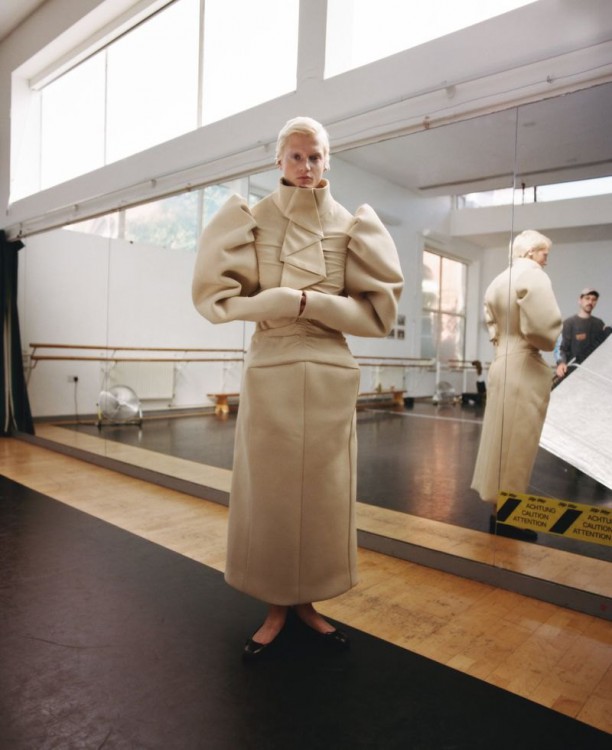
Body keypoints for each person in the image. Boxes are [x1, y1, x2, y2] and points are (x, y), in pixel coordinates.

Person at [192, 116, 404, 659]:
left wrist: (309, 303)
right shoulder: (251, 220)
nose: (306, 167)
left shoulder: (351, 226)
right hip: (272, 367)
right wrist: (281, 303)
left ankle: (308, 600)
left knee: (324, 497)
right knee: (271, 494)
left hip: (331, 371)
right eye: (296, 156)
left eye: (315, 157)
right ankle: (275, 604)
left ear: (327, 159)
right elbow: (218, 300)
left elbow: (376, 315)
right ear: (279, 160)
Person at [471, 230, 562, 539]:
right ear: (530, 251)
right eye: (543, 251)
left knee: (499, 444)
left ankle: (499, 512)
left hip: (502, 362)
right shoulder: (532, 276)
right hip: (524, 365)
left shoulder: (498, 281)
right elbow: (544, 333)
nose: (546, 258)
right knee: (517, 447)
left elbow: (493, 327)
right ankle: (510, 519)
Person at [555, 288, 608, 381]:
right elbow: (560, 348)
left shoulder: (599, 324)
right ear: (580, 300)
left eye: (594, 299)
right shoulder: (568, 323)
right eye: (587, 298)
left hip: (594, 374)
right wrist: (561, 363)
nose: (590, 302)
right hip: (573, 373)